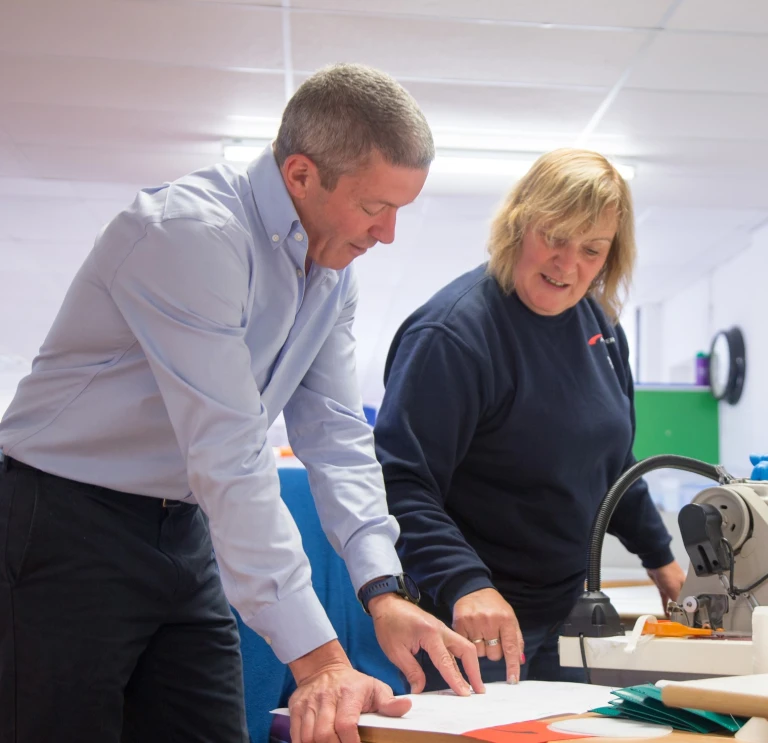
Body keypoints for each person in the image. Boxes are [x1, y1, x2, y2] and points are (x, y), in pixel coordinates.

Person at [0, 63, 484, 743]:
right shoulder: (190, 234)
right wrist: (321, 661)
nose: (389, 235)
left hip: (182, 529)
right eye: (377, 208)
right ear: (300, 175)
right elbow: (230, 453)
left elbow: (337, 437)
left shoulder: (330, 276)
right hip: (64, 523)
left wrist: (383, 589)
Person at [374, 149, 687, 690]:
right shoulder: (454, 336)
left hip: (569, 610)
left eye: (592, 250)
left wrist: (662, 560)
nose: (569, 264)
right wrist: (466, 584)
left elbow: (611, 464)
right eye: (555, 237)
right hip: (472, 620)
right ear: (519, 224)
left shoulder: (602, 328)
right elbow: (400, 483)